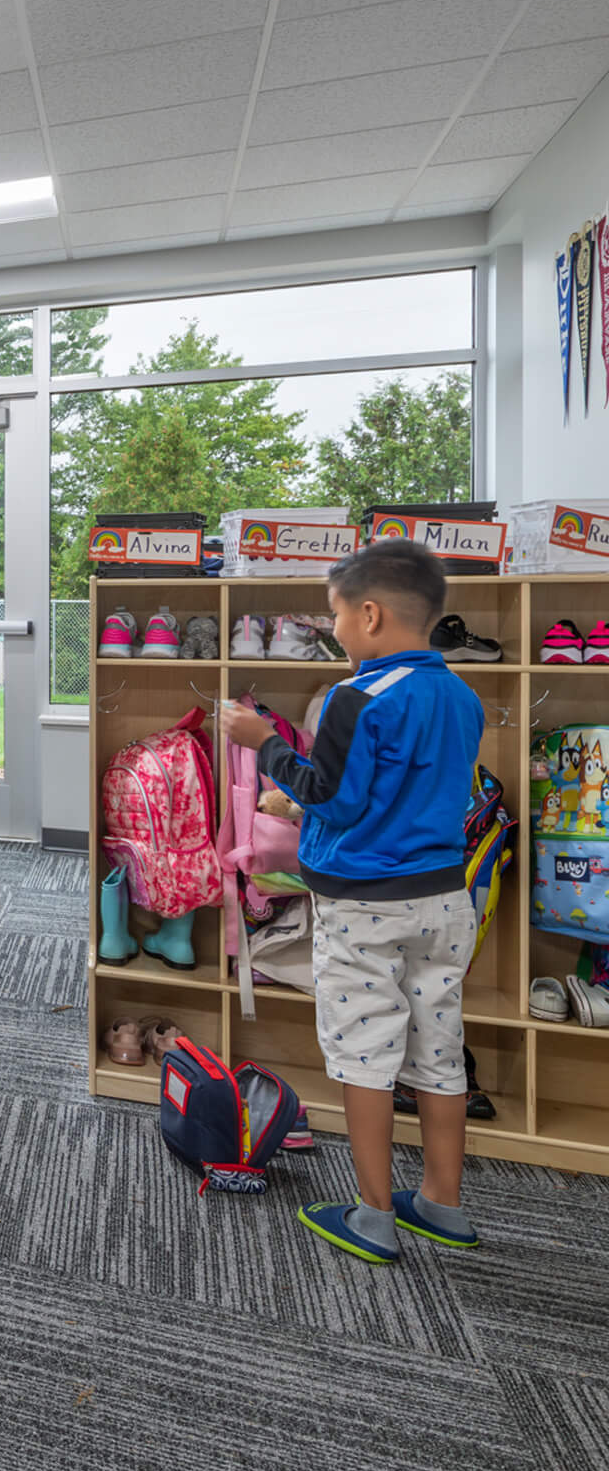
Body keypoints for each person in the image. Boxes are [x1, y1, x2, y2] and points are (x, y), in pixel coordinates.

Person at [220, 538, 485, 1264]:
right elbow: (400, 798)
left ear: (368, 614)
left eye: (334, 616)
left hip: (365, 907)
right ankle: (442, 1203)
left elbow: (327, 793)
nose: (332, 629)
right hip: (442, 900)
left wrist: (265, 741)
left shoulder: (354, 695)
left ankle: (373, 1215)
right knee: (437, 1049)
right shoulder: (460, 697)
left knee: (364, 1054)